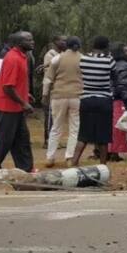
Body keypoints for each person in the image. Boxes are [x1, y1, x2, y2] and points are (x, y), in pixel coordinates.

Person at [0, 31, 35, 174]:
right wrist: (24, 103)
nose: (32, 42)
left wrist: (26, 95)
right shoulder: (13, 59)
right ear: (19, 43)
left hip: (16, 106)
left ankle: (26, 169)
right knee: (3, 140)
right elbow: (7, 87)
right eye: (28, 40)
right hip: (6, 107)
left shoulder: (22, 57)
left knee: (22, 139)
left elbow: (15, 83)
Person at [71, 36, 114, 167]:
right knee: (103, 136)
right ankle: (102, 166)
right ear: (106, 46)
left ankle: (74, 162)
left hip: (86, 99)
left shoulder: (83, 59)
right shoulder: (109, 60)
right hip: (103, 100)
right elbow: (113, 75)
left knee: (83, 134)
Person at [42, 36, 83, 167]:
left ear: (67, 45)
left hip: (58, 96)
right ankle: (69, 157)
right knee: (74, 128)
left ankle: (50, 157)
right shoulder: (83, 59)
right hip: (76, 96)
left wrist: (44, 95)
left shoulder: (57, 58)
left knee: (56, 127)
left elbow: (48, 79)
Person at [108, 43, 127, 160]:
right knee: (120, 126)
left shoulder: (113, 64)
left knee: (114, 126)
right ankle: (115, 152)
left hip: (114, 98)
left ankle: (112, 151)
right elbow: (122, 85)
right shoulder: (125, 66)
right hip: (121, 100)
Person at [39, 35, 66, 149]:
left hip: (60, 91)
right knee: (50, 116)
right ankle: (48, 140)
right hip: (51, 90)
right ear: (55, 42)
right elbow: (48, 75)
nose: (65, 42)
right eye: (62, 40)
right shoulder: (50, 55)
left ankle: (55, 140)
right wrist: (45, 94)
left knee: (57, 116)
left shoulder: (63, 55)